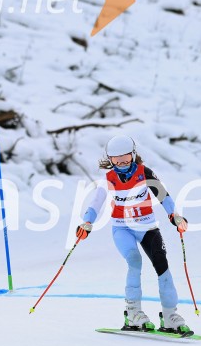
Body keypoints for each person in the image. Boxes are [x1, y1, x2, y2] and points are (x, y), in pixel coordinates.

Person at [76, 135, 191, 334]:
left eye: (126, 158)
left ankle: (170, 315)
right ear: (110, 159)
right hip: (122, 229)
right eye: (116, 159)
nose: (121, 163)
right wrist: (87, 222)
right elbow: (95, 204)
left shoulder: (144, 173)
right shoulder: (108, 179)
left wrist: (175, 215)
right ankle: (133, 313)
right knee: (134, 261)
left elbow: (163, 196)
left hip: (147, 227)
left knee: (162, 264)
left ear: (133, 154)